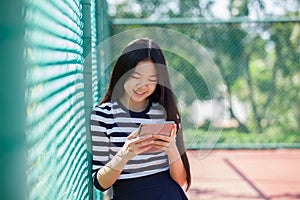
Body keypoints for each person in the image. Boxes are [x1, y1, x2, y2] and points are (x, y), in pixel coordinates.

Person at [90, 38, 191, 200]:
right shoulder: (103, 115)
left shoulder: (167, 113)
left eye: (152, 79)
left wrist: (172, 150)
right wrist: (124, 155)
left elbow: (180, 181)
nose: (143, 85)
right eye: (136, 76)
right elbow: (100, 182)